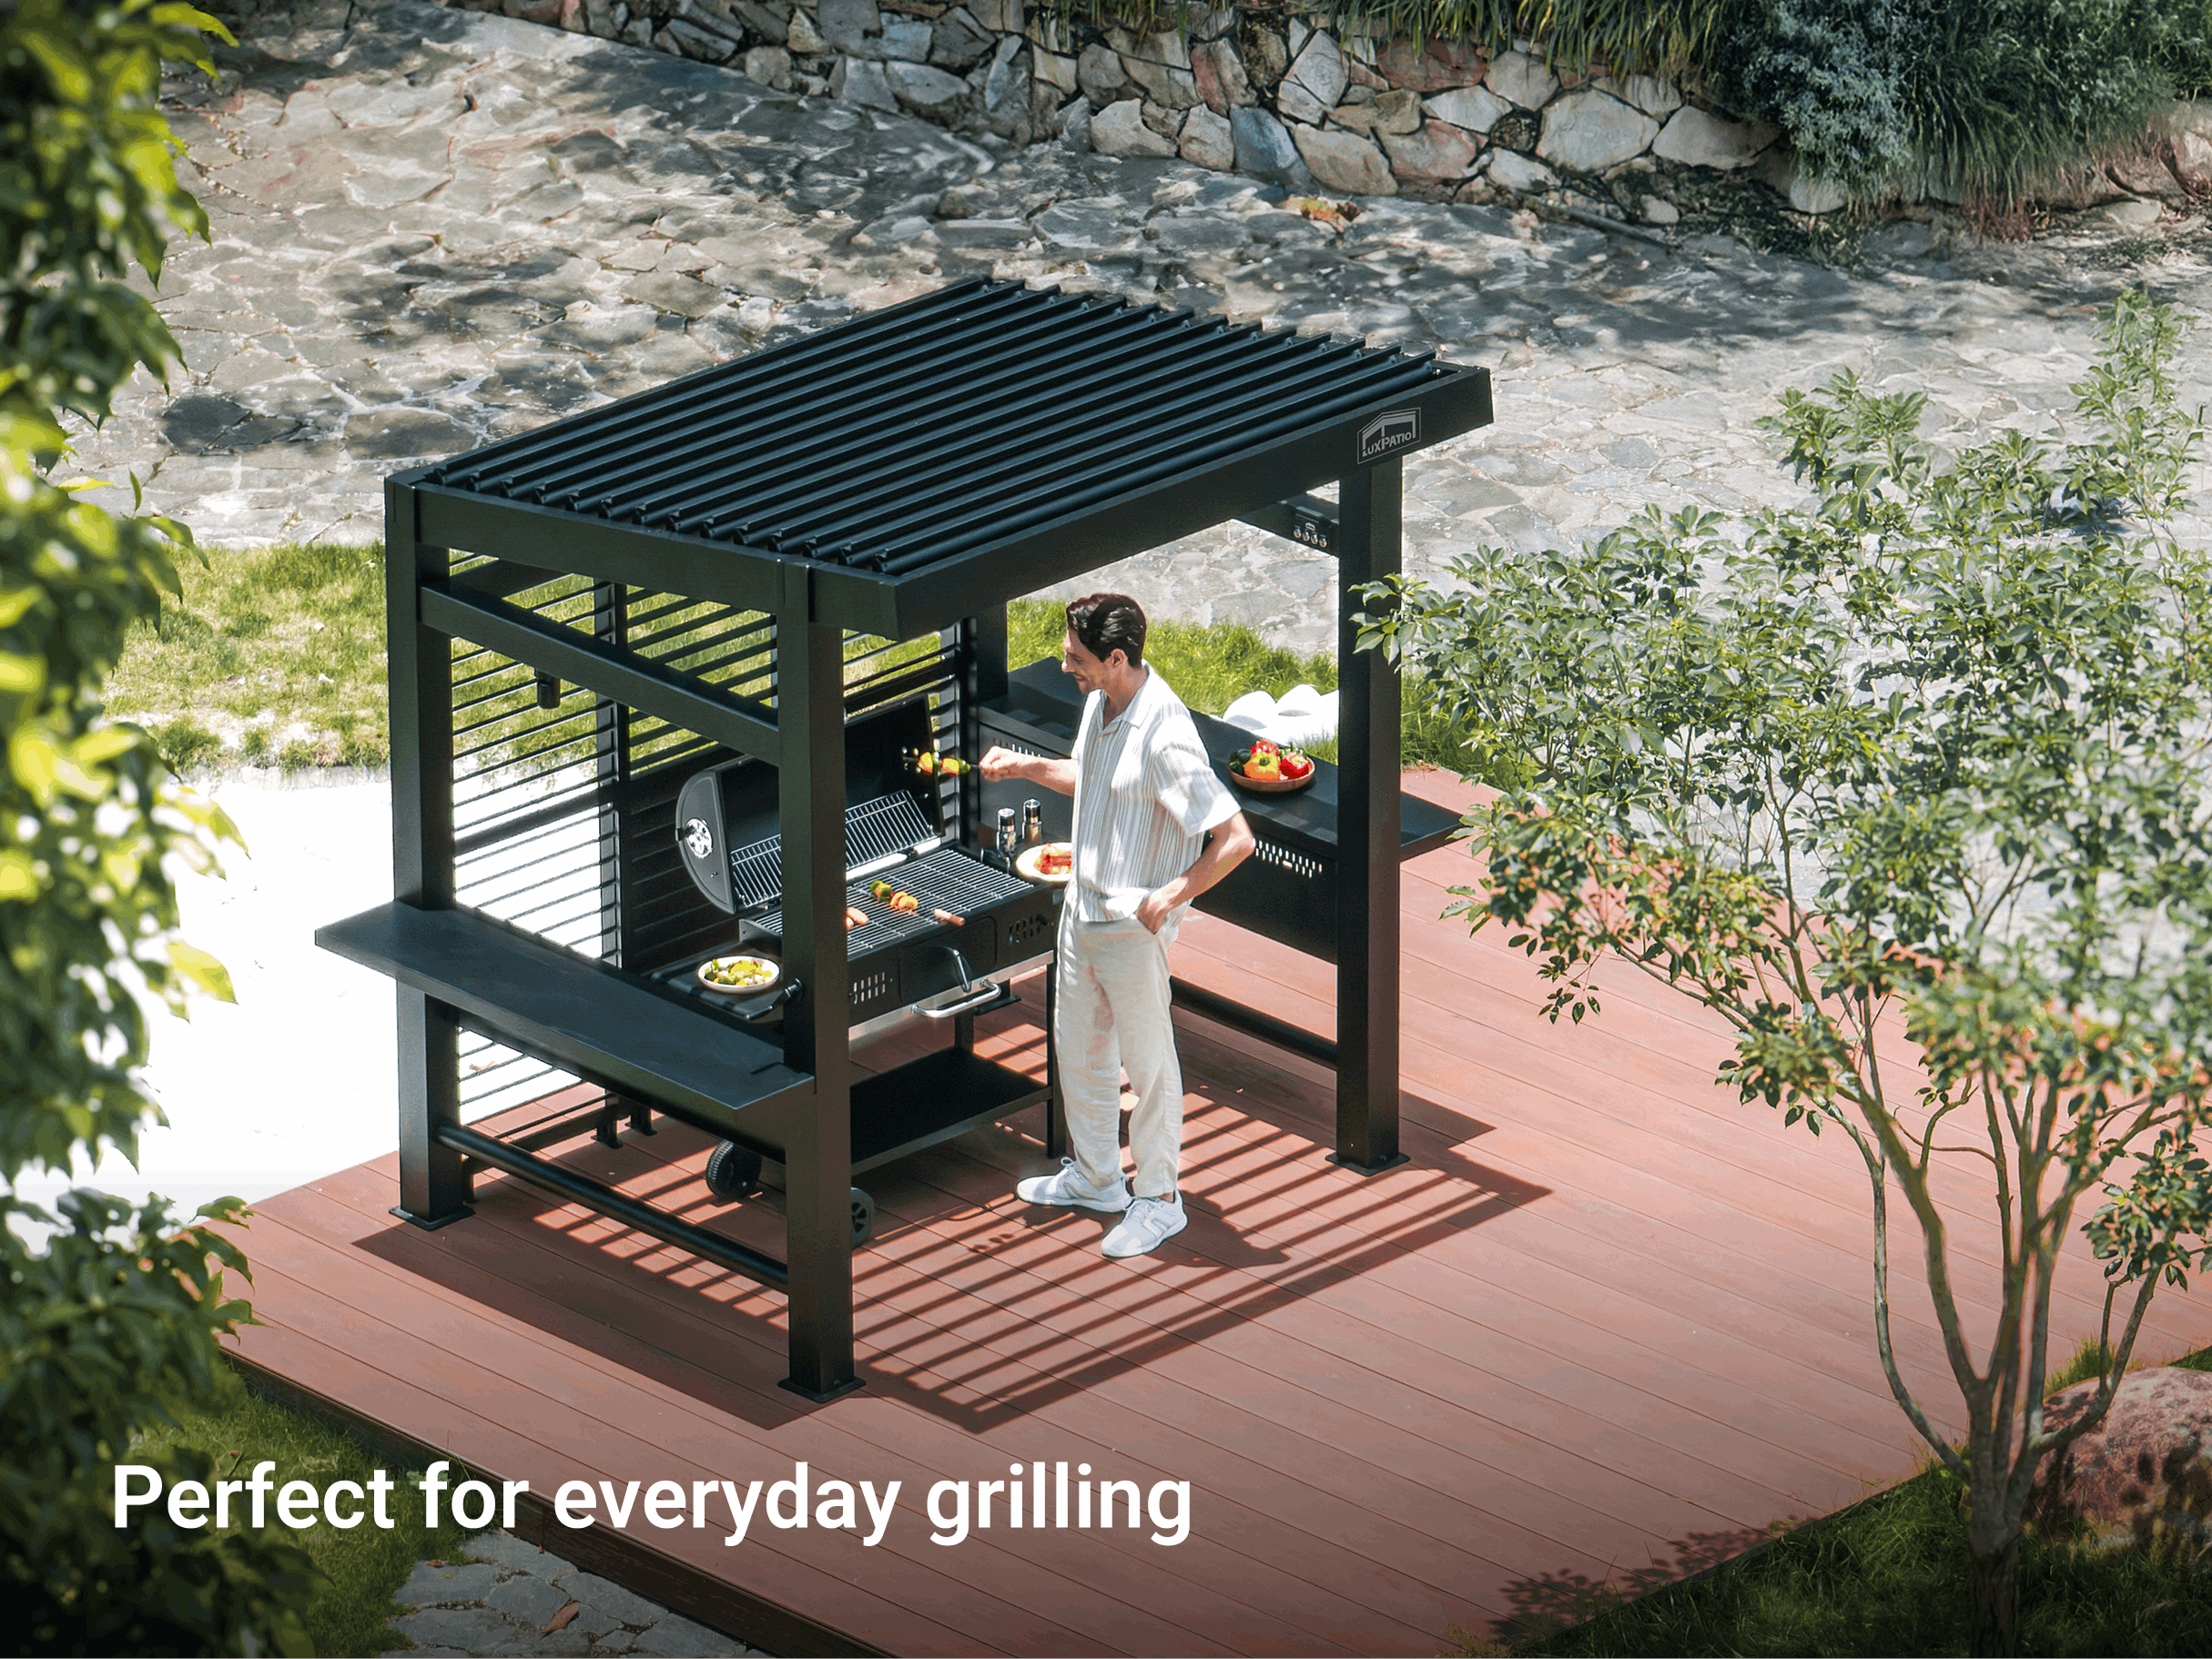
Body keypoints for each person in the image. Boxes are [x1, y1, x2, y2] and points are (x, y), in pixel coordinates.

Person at [979, 593, 1255, 1259]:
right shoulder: (1099, 702)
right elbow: (1095, 778)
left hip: (1131, 926)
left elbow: (1235, 837)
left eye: (1076, 657)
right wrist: (1026, 766)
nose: (1065, 665)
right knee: (1078, 1051)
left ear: (1117, 658)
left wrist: (1173, 894)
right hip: (1081, 908)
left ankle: (1160, 1200)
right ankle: (1099, 1178)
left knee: (1149, 1066)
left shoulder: (1164, 734)